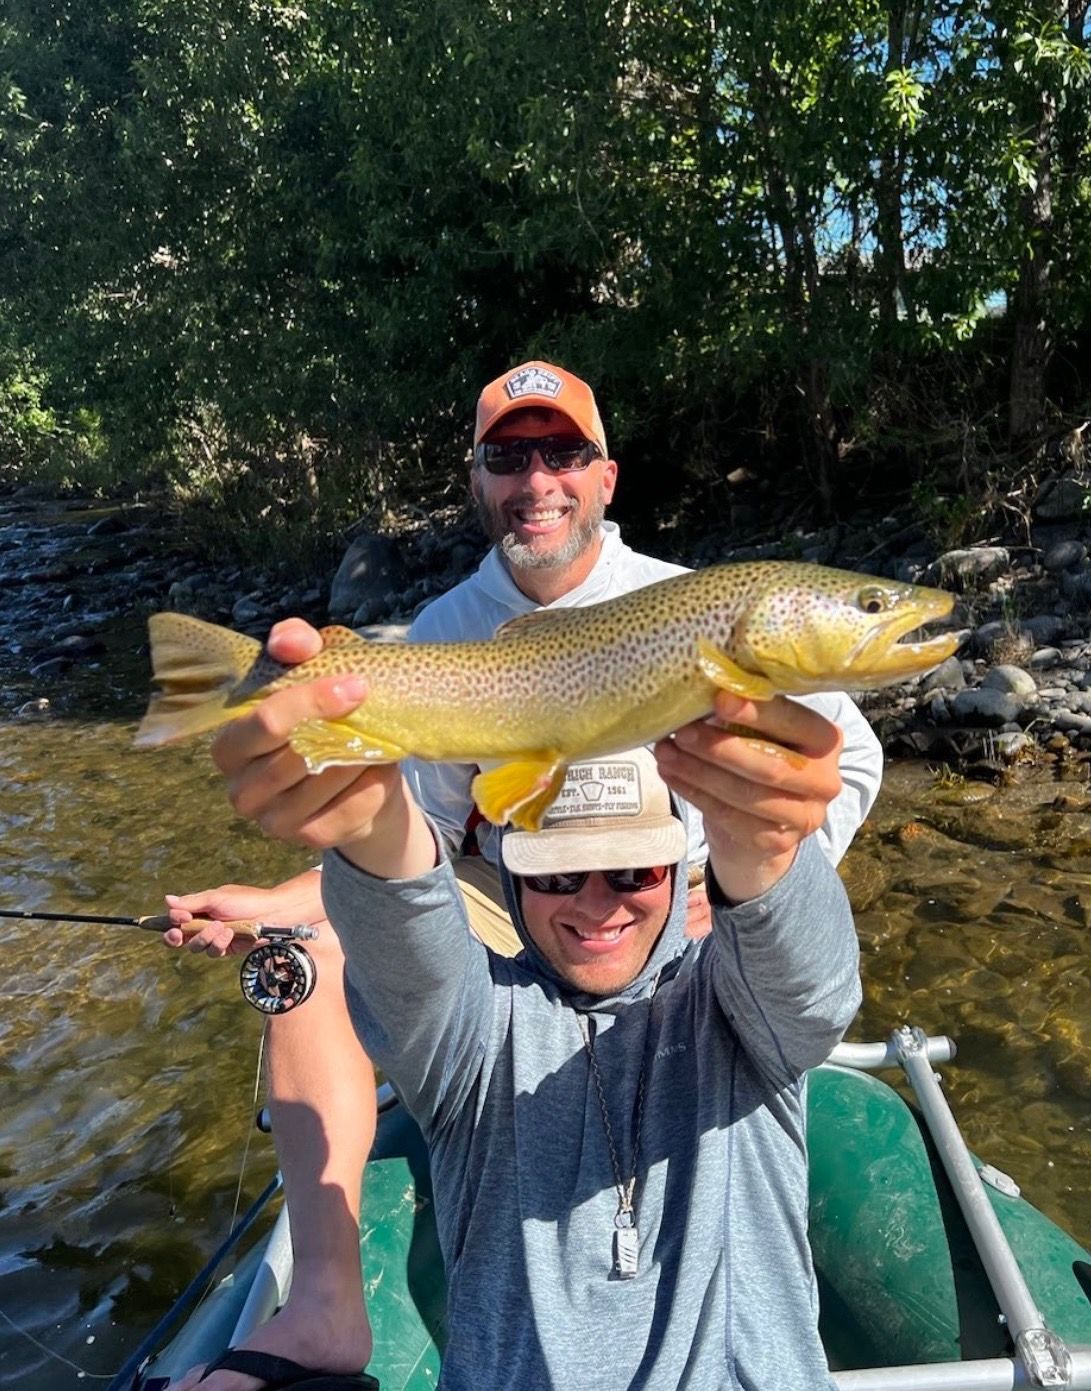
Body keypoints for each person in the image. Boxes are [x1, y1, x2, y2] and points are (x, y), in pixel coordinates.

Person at [167, 362, 882, 1390]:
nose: (536, 477)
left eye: (561, 452)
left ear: (604, 478)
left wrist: (740, 878)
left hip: (685, 893)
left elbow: (843, 766)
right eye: (509, 455)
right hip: (513, 877)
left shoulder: (704, 603)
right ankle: (324, 1301)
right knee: (310, 949)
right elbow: (410, 834)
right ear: (478, 481)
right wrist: (287, 896)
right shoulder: (440, 633)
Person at [189, 683, 860, 1390]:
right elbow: (408, 939)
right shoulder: (472, 1028)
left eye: (634, 870)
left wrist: (765, 845)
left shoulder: (739, 1005)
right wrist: (369, 821)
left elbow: (811, 990)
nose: (597, 903)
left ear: (678, 868)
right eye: (559, 874)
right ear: (511, 876)